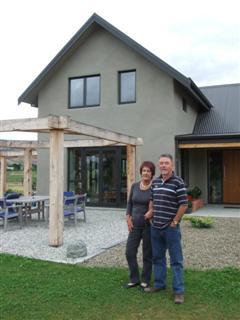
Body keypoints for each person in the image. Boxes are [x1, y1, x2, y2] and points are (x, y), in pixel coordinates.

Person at [144, 154, 188, 304]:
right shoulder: (155, 182)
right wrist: (150, 214)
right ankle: (159, 284)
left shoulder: (178, 182)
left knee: (176, 260)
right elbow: (152, 200)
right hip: (155, 227)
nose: (163, 165)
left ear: (172, 166)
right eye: (161, 163)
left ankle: (179, 291)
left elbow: (183, 204)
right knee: (158, 258)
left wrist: (175, 221)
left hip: (170, 228)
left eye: (166, 163)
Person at [124, 161, 156, 290]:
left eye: (148, 171)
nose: (146, 173)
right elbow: (129, 203)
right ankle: (134, 278)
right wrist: (128, 217)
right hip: (134, 225)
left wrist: (152, 211)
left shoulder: (155, 187)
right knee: (129, 252)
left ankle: (145, 280)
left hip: (148, 225)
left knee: (147, 254)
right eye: (144, 170)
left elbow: (158, 204)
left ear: (152, 174)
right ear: (141, 172)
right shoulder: (135, 186)